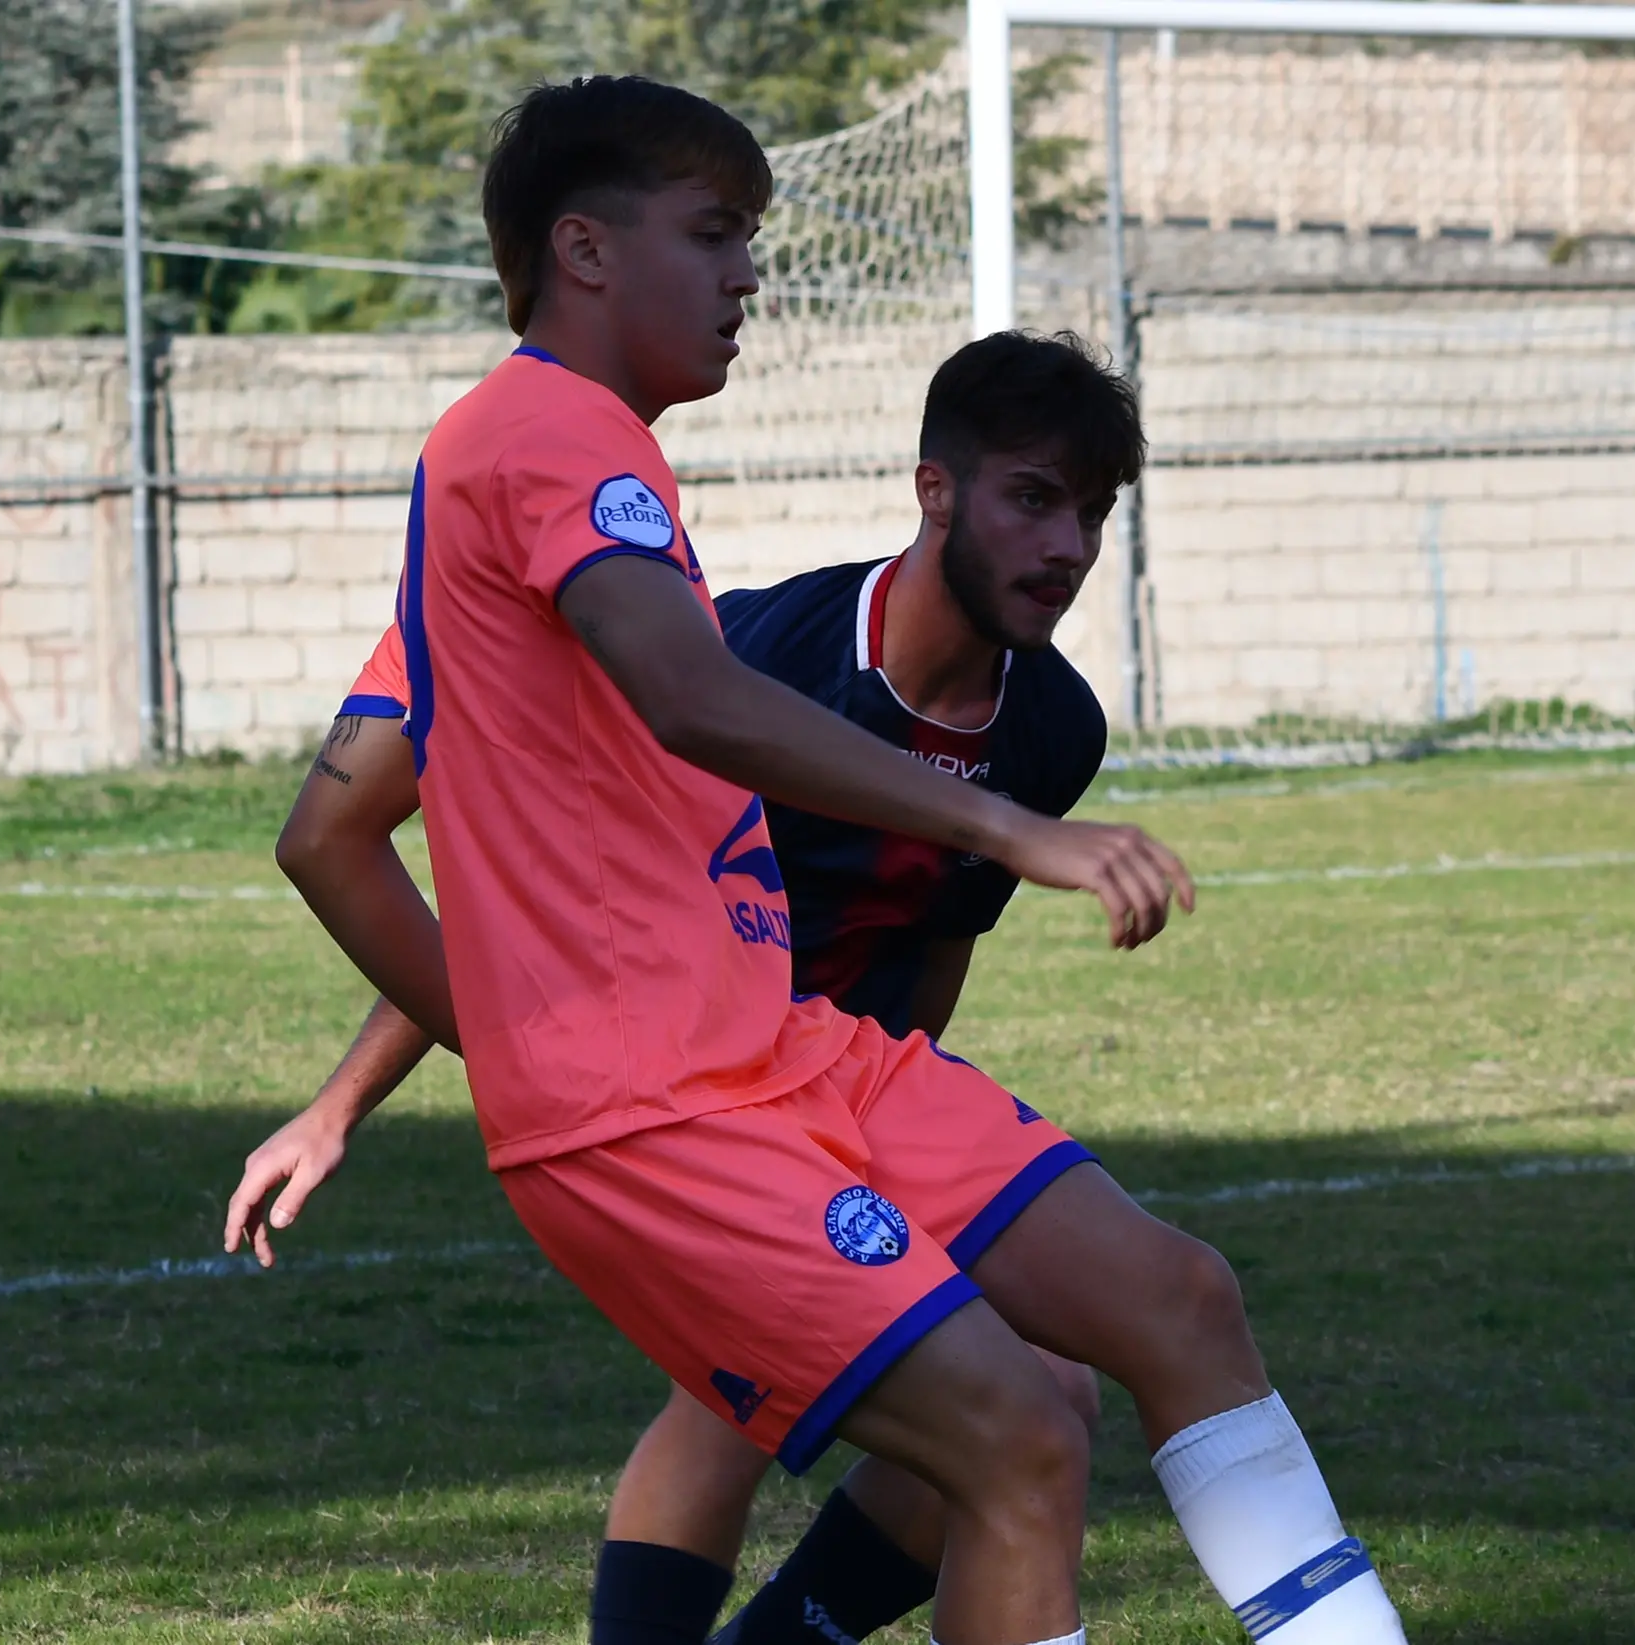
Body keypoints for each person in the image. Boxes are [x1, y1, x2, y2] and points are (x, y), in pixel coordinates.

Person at [218, 77, 1408, 1645]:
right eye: (714, 235)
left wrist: (491, 1033)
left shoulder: (548, 495)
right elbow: (695, 699)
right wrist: (1005, 825)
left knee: (1173, 1298)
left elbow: (330, 831)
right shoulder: (553, 445)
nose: (747, 277)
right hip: (658, 1106)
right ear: (582, 249)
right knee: (1018, 1435)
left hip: (785, 1053)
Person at [227, 331, 1146, 1645]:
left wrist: (874, 1132)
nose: (1065, 544)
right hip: (680, 1101)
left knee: (1040, 1399)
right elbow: (506, 920)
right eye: (1034, 498)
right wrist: (343, 1104)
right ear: (939, 492)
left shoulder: (1048, 726)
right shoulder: (738, 667)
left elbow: (934, 955)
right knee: (823, 1413)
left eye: (1092, 511)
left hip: (824, 1097)